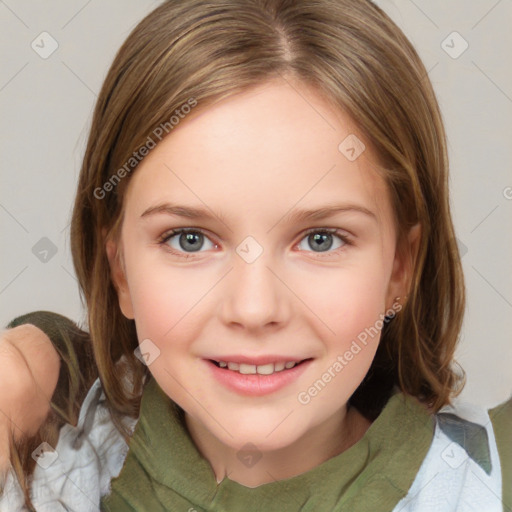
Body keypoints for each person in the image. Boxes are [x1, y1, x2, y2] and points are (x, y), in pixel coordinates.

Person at [0, 0, 510, 510]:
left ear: (401, 267)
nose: (254, 308)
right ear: (121, 271)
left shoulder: (489, 481)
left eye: (320, 239)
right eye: (190, 239)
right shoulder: (38, 471)